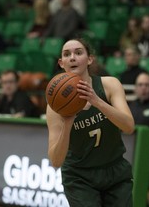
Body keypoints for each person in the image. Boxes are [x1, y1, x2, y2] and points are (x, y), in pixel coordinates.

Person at [46, 38, 135, 206]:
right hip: (79, 176)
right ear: (61, 63)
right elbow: (56, 161)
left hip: (114, 169)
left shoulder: (109, 85)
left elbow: (129, 126)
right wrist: (67, 122)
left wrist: (97, 102)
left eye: (78, 52)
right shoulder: (54, 106)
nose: (72, 57)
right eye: (67, 54)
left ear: (89, 59)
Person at [128, 72, 149, 207]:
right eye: (140, 85)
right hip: (131, 157)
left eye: (147, 85)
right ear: (135, 88)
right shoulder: (131, 106)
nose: (144, 88)